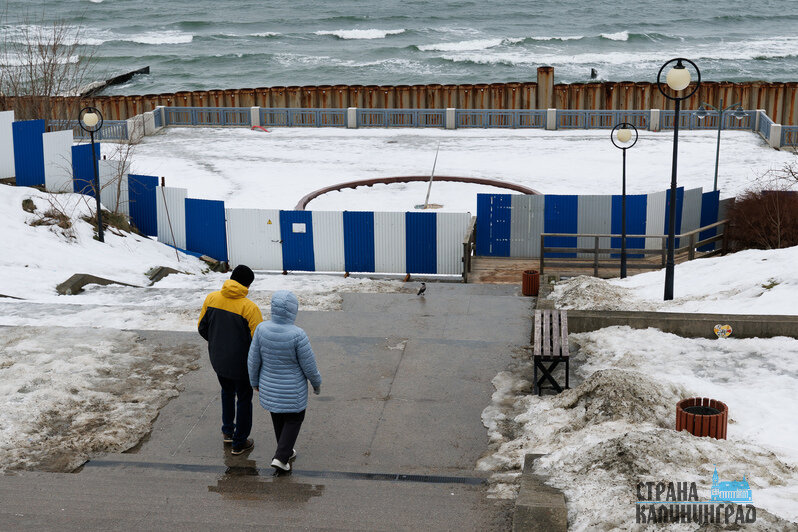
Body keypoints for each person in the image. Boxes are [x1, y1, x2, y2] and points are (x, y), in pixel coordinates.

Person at [248, 290, 321, 472]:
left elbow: (253, 359)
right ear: (292, 310)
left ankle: (285, 450)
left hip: (269, 386)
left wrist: (254, 381)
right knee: (295, 418)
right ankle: (281, 457)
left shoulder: (261, 329)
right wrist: (316, 383)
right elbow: (309, 365)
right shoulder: (298, 334)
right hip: (292, 389)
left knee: (278, 415)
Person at [198, 265, 263, 455]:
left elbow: (202, 327)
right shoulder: (249, 308)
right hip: (242, 365)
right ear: (248, 284)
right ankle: (239, 442)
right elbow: (258, 342)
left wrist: (218, 344)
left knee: (227, 391)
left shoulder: (212, 298)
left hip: (218, 360)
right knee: (244, 398)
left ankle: (228, 431)